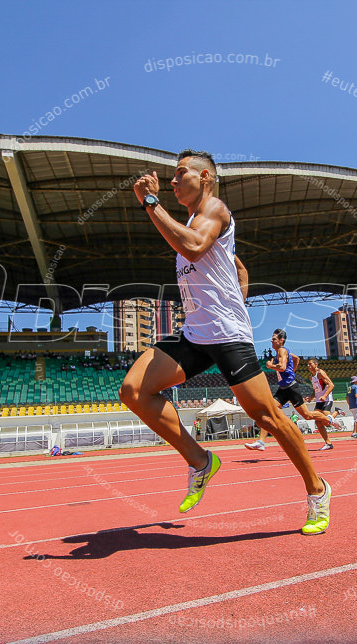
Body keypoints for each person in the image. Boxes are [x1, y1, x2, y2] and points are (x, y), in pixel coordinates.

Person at [122, 150, 330, 534]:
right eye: (169, 177)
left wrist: (151, 203)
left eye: (179, 174)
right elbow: (233, 264)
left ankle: (318, 490)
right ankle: (201, 461)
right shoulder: (193, 219)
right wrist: (237, 288)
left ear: (205, 179)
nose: (171, 182)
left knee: (266, 416)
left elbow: (195, 247)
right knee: (134, 390)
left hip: (228, 335)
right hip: (196, 334)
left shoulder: (215, 208)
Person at [244, 331, 333, 452]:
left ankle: (329, 419)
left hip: (291, 388)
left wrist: (270, 366)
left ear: (281, 340)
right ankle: (261, 441)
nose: (271, 341)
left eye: (274, 339)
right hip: (283, 388)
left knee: (307, 415)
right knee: (268, 411)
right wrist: (293, 371)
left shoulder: (282, 350)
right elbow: (296, 359)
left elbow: (282, 367)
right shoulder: (283, 352)